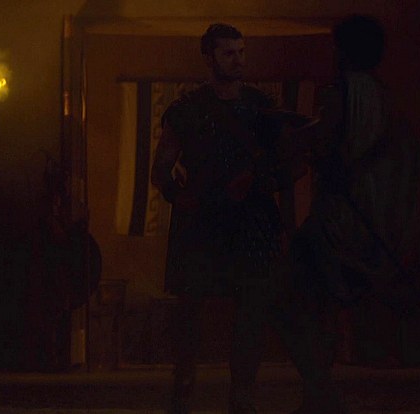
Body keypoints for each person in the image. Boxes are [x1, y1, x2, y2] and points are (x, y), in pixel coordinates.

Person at [151, 23, 321, 414]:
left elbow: (293, 164)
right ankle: (183, 388)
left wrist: (258, 182)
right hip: (202, 221)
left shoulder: (262, 107)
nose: (238, 60)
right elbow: (162, 169)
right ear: (209, 58)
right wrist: (181, 195)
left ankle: (242, 395)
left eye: (242, 52)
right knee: (190, 310)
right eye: (229, 53)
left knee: (252, 310)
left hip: (251, 221)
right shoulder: (187, 110)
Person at [283, 13, 420, 414]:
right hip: (369, 217)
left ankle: (319, 392)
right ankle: (318, 395)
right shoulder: (385, 96)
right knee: (321, 306)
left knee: (294, 299)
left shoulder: (339, 92)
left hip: (339, 218)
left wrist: (297, 139)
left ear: (344, 50)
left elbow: (329, 148)